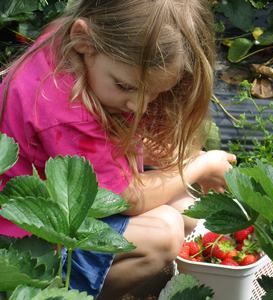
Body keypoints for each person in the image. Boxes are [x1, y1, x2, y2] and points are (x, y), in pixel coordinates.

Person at [0, 0, 236, 299]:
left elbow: (91, 148)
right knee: (164, 234)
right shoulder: (61, 107)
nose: (139, 106)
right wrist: (200, 166)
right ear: (83, 39)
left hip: (58, 205)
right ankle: (62, 293)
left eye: (153, 92)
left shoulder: (76, 47)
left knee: (186, 209)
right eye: (126, 87)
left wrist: (157, 152)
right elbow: (128, 198)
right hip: (26, 243)